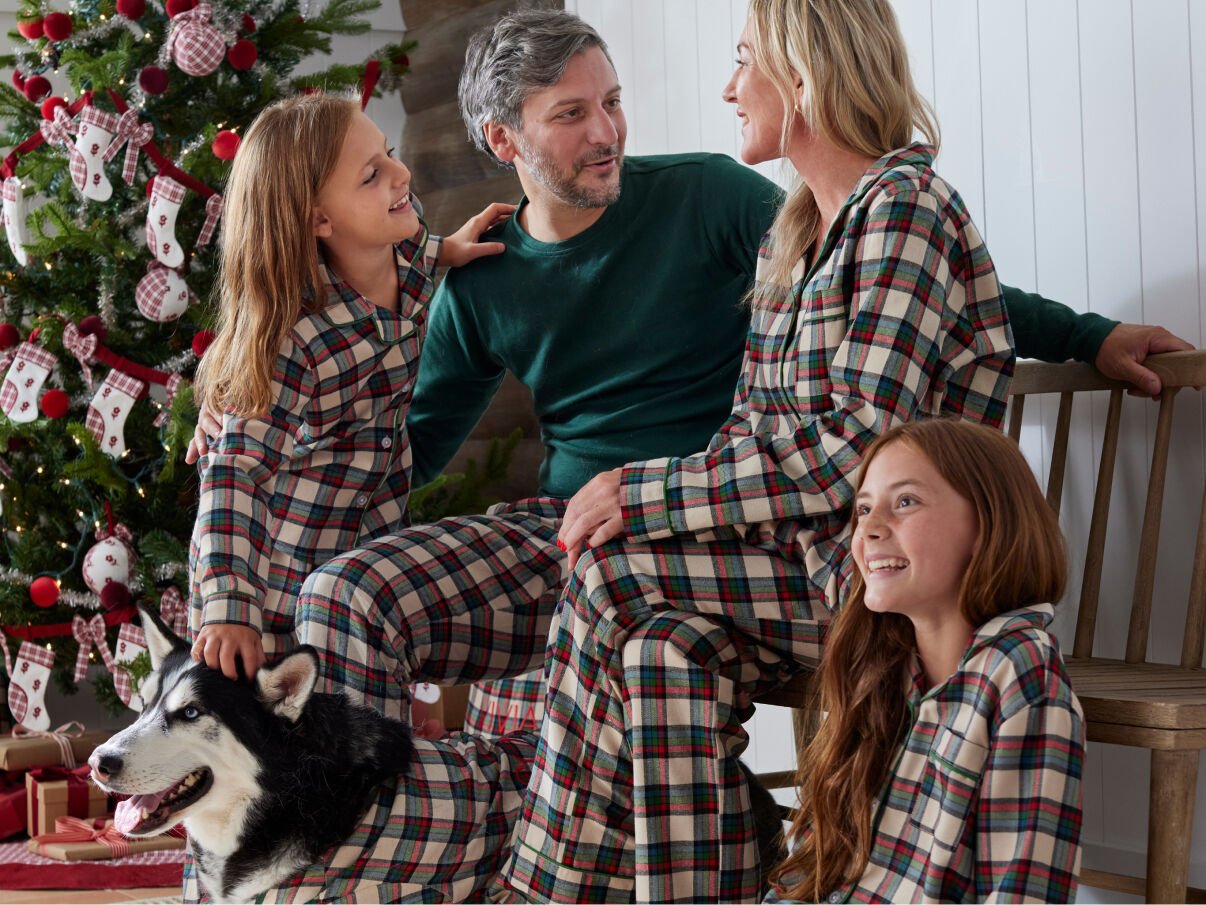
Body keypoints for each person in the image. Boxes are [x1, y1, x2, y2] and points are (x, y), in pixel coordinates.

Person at [196, 8, 1187, 748]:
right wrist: (271, 437)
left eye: (614, 104)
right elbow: (404, 448)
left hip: (711, 519)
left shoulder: (716, 200)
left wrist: (1089, 333)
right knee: (353, 592)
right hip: (572, 521)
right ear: (506, 143)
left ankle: (537, 860)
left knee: (572, 622)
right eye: (573, 114)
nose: (607, 132)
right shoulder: (482, 281)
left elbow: (902, 284)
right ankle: (360, 837)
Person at [489, 0, 1016, 899]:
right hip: (802, 568)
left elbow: (854, 449)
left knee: (615, 575)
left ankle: (538, 886)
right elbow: (752, 434)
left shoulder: (906, 212)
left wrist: (641, 493)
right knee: (660, 648)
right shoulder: (800, 229)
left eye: (745, 62)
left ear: (805, 73)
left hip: (902, 585)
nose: (729, 87)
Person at [187, 92, 512, 702]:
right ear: (318, 221)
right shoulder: (296, 344)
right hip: (279, 585)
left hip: (367, 554)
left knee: (366, 721)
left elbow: (420, 254)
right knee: (291, 747)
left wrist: (450, 248)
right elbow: (234, 477)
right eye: (372, 175)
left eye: (387, 154)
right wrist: (228, 605)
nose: (401, 173)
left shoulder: (401, 253)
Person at [768, 418, 1084, 903]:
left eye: (906, 502)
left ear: (986, 524)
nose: (868, 529)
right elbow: (817, 867)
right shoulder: (881, 665)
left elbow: (1022, 890)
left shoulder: (1019, 674)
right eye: (865, 508)